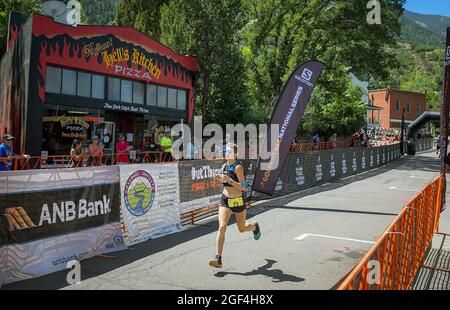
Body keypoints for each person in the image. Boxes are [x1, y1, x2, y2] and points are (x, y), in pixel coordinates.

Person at [208, 144, 261, 269]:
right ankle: (218, 258)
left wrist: (230, 180)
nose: (228, 153)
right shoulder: (225, 165)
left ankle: (254, 227)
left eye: (230, 151)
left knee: (242, 229)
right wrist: (218, 178)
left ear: (236, 154)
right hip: (225, 200)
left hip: (237, 200)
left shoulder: (238, 167)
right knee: (222, 227)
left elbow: (243, 187)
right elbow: (225, 181)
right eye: (226, 151)